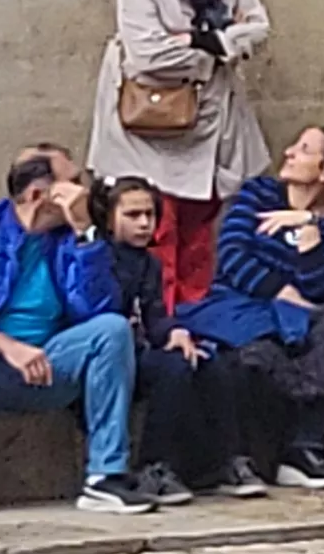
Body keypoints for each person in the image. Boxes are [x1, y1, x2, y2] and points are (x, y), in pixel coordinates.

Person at [0, 152, 157, 516]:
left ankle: (104, 479)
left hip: (52, 365)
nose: (83, 190)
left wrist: (85, 237)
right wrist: (4, 344)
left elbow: (99, 308)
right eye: (72, 182)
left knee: (111, 329)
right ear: (38, 195)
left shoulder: (71, 238)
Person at [88, 0, 275, 314]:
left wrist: (198, 38)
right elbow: (148, 54)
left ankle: (197, 319)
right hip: (149, 120)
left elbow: (260, 29)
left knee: (200, 229)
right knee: (156, 227)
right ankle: (161, 321)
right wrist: (222, 47)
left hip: (209, 119)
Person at [189, 126, 324, 490]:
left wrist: (310, 237)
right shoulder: (256, 196)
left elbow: (323, 285)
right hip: (243, 306)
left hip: (302, 317)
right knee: (262, 346)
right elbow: (233, 259)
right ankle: (256, 457)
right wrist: (283, 289)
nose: (288, 152)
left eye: (302, 149)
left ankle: (306, 448)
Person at [96, 176, 256, 500]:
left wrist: (174, 332)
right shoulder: (97, 257)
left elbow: (155, 314)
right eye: (132, 215)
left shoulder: (149, 263)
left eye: (149, 215)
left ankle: (222, 461)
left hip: (142, 347)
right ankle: (152, 465)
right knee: (173, 370)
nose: (143, 224)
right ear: (109, 219)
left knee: (209, 361)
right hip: (111, 355)